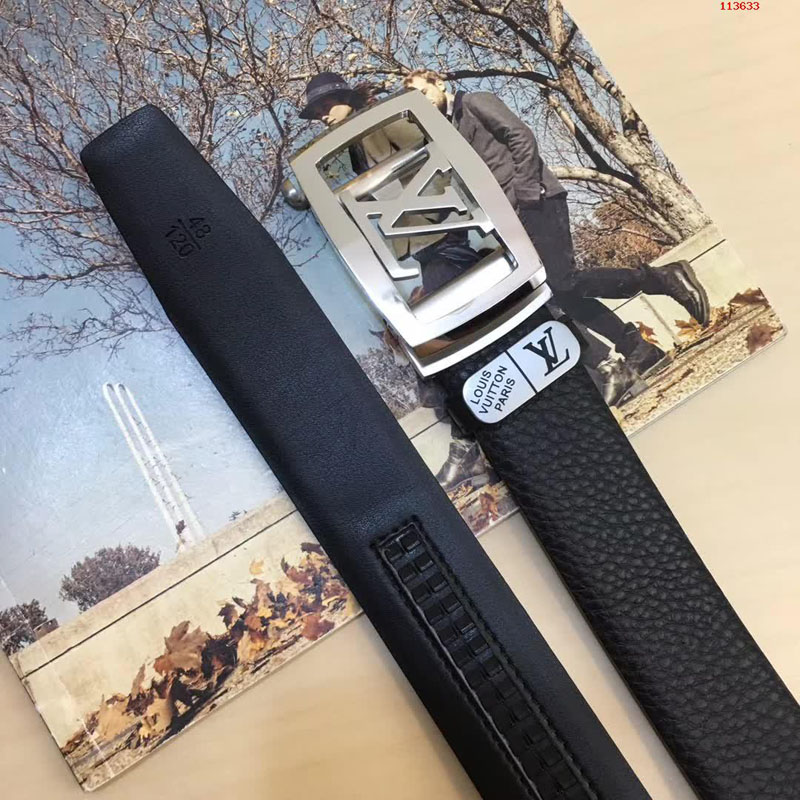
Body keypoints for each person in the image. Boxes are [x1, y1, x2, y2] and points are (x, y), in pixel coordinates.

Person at [402, 69, 711, 400]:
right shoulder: (446, 132)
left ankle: (660, 278)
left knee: (562, 281)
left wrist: (526, 192)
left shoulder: (475, 101)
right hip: (511, 219)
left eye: (423, 92)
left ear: (439, 83)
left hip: (537, 201)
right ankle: (637, 348)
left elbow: (521, 136)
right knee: (557, 291)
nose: (423, 101)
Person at [298, 72, 493, 492]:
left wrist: (439, 210)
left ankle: (466, 450)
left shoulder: (384, 119)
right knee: (458, 338)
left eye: (326, 105)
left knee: (441, 345)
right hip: (419, 248)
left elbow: (432, 150)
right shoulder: (348, 145)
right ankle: (477, 448)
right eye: (316, 112)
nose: (322, 115)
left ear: (347, 97)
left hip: (442, 234)